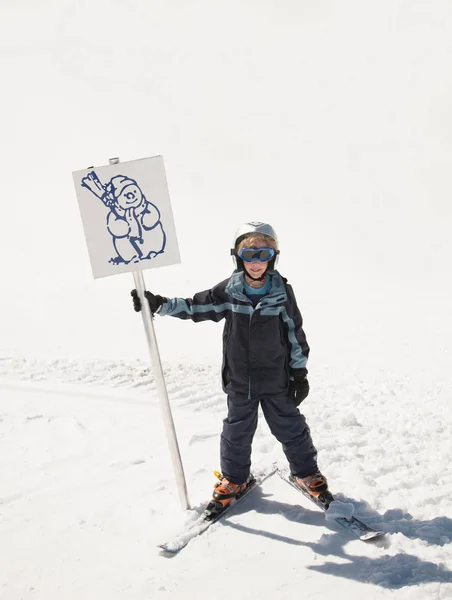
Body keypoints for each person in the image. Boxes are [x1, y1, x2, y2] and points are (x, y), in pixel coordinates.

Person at [131, 222, 328, 516]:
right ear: (238, 257)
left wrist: (299, 373)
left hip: (277, 380)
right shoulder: (230, 291)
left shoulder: (282, 293)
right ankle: (234, 479)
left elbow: (295, 334)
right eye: (249, 254)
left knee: (291, 428)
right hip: (240, 381)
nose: (257, 262)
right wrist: (159, 305)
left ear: (273, 256)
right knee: (236, 432)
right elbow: (196, 307)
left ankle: (306, 473)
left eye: (264, 253)